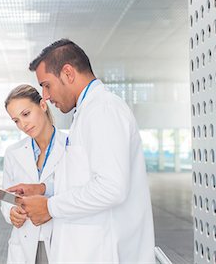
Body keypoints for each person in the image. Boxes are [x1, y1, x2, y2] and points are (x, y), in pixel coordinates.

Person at [12, 39, 155, 263]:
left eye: (47, 85)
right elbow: (83, 178)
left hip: (106, 252)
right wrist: (42, 188)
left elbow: (111, 188)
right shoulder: (86, 113)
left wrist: (50, 206)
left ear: (68, 73)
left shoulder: (103, 110)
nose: (46, 96)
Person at [1, 85, 66, 264]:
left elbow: (78, 193)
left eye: (26, 114)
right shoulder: (13, 153)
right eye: (16, 120)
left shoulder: (70, 147)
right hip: (24, 241)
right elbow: (7, 198)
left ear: (43, 105)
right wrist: (12, 212)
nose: (23, 125)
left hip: (59, 239)